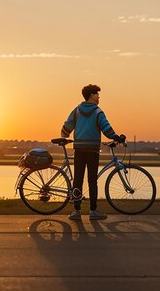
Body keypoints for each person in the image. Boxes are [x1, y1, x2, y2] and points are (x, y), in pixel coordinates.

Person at [61, 84, 125, 220]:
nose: (99, 96)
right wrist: (116, 137)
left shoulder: (77, 110)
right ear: (91, 95)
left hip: (79, 149)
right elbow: (106, 128)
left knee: (78, 179)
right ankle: (93, 211)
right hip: (92, 150)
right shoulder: (97, 111)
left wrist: (64, 135)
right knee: (92, 180)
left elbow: (67, 126)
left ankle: (76, 212)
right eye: (97, 94)